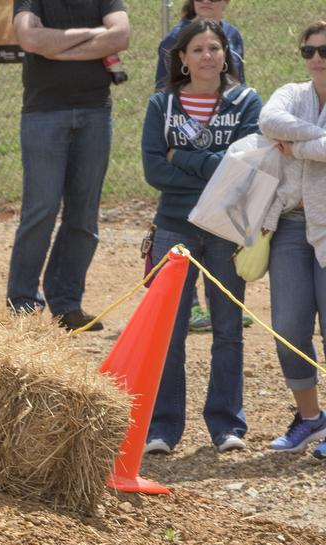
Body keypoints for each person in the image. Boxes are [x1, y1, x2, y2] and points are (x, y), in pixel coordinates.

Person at [140, 20, 261, 456]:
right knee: (169, 332)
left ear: (226, 56)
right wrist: (215, 167)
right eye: (197, 49)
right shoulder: (161, 105)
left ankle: (227, 425)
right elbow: (155, 171)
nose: (207, 55)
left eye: (215, 48)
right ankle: (162, 428)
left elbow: (246, 165)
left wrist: (183, 157)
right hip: (175, 225)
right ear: (182, 58)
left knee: (228, 328)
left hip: (228, 228)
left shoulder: (247, 102)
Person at [6, 0, 130, 332]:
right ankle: (23, 304)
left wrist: (57, 45)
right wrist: (92, 36)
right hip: (44, 112)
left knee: (84, 215)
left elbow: (120, 35)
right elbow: (30, 40)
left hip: (94, 112)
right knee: (41, 210)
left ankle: (67, 304)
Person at [154, 0, 247, 334]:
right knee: (184, 224)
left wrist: (224, 147)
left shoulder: (233, 35)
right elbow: (167, 99)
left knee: (219, 228)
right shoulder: (174, 39)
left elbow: (238, 96)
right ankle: (190, 302)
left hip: (222, 151)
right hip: (188, 146)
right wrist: (201, 140)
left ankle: (221, 300)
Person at [258, 21, 326, 456]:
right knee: (288, 327)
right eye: (309, 50)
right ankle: (312, 420)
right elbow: (268, 120)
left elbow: (286, 135)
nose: (317, 57)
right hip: (287, 226)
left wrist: (297, 146)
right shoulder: (291, 93)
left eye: (325, 49)